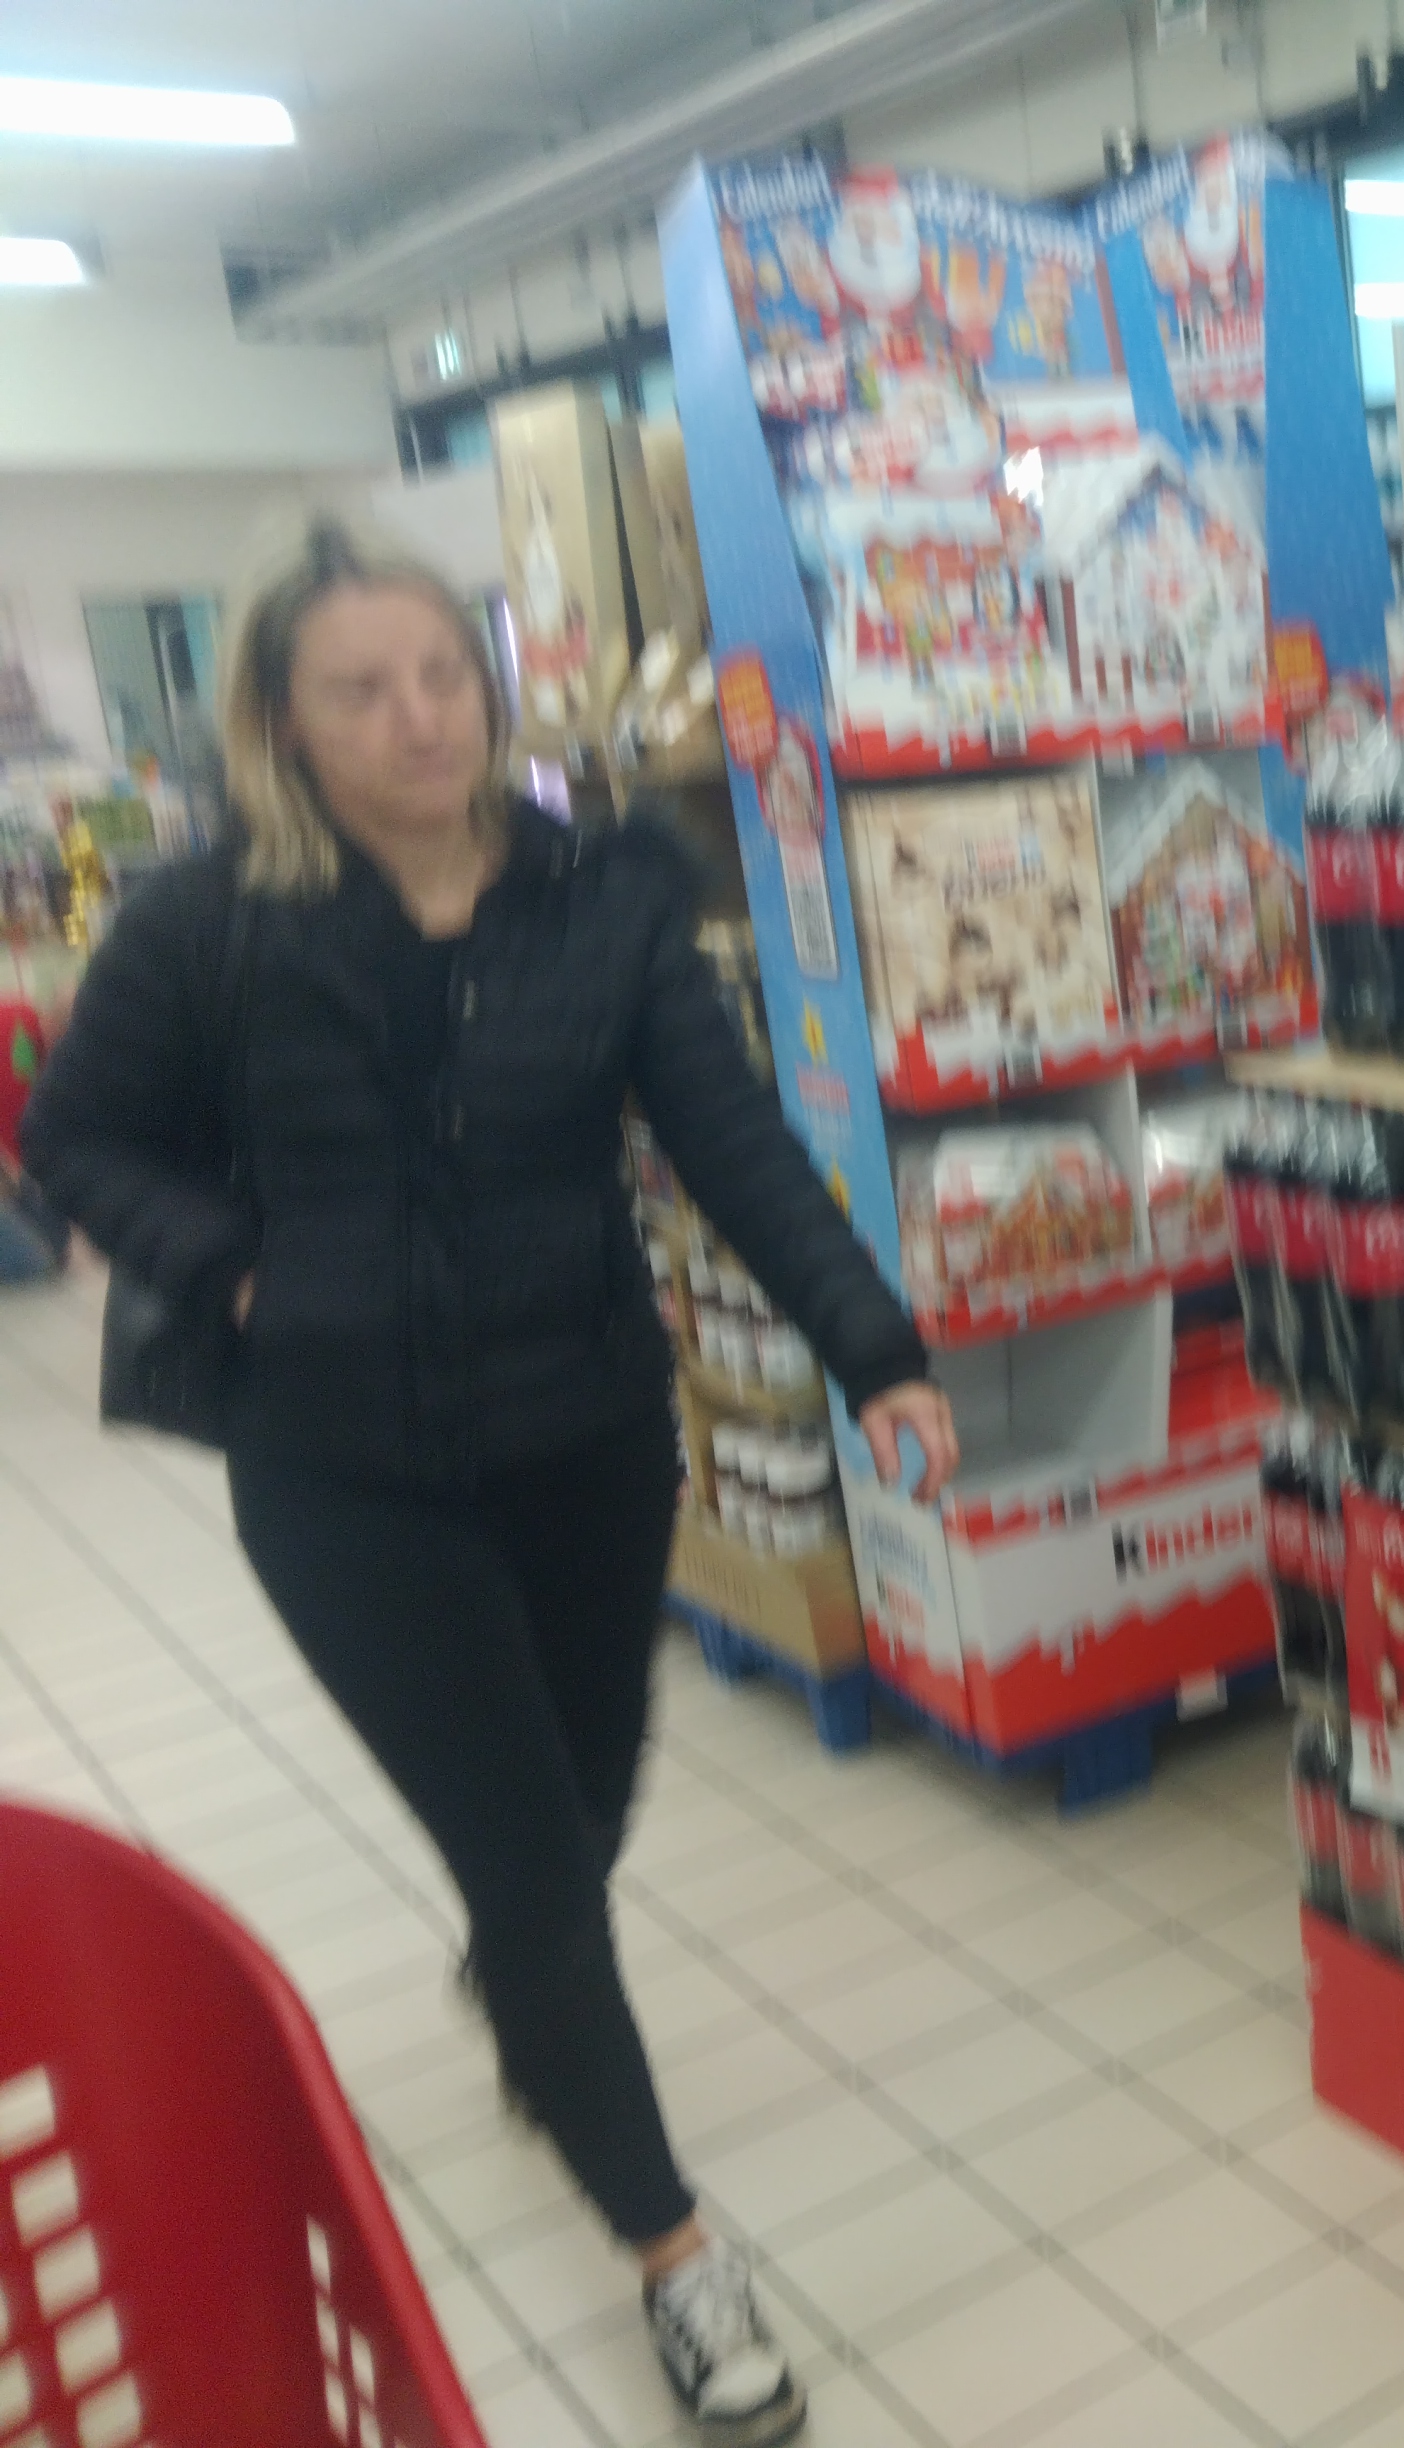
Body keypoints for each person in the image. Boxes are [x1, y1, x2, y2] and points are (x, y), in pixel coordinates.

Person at [23, 518, 959, 2448]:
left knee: (583, 1810)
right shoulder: (207, 924)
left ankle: (535, 1999)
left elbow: (734, 1141)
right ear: (284, 719)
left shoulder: (601, 899)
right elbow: (75, 1137)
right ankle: (675, 2252)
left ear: (490, 682)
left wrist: (875, 1349)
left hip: (590, 1440)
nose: (418, 717)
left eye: (443, 673)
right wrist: (236, 1266)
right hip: (341, 1471)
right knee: (533, 1862)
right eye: (361, 689)